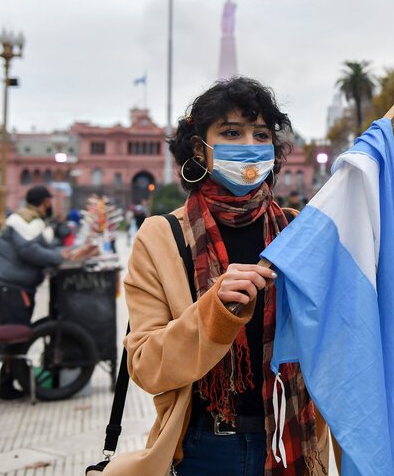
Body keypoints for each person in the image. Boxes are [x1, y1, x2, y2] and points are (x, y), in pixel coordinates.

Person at [110, 78, 330, 475]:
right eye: (231, 132)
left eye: (261, 134)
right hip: (204, 448)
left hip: (290, 438)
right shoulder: (163, 238)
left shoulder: (299, 233)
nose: (249, 142)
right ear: (200, 148)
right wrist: (213, 311)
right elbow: (144, 366)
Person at [0, 186, 94, 397]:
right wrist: (62, 257)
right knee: (11, 335)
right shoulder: (25, 220)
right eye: (50, 201)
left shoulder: (31, 219)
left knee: (13, 335)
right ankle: (3, 387)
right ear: (45, 201)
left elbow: (43, 246)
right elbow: (30, 251)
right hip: (9, 286)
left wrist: (65, 252)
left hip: (13, 285)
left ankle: (7, 383)